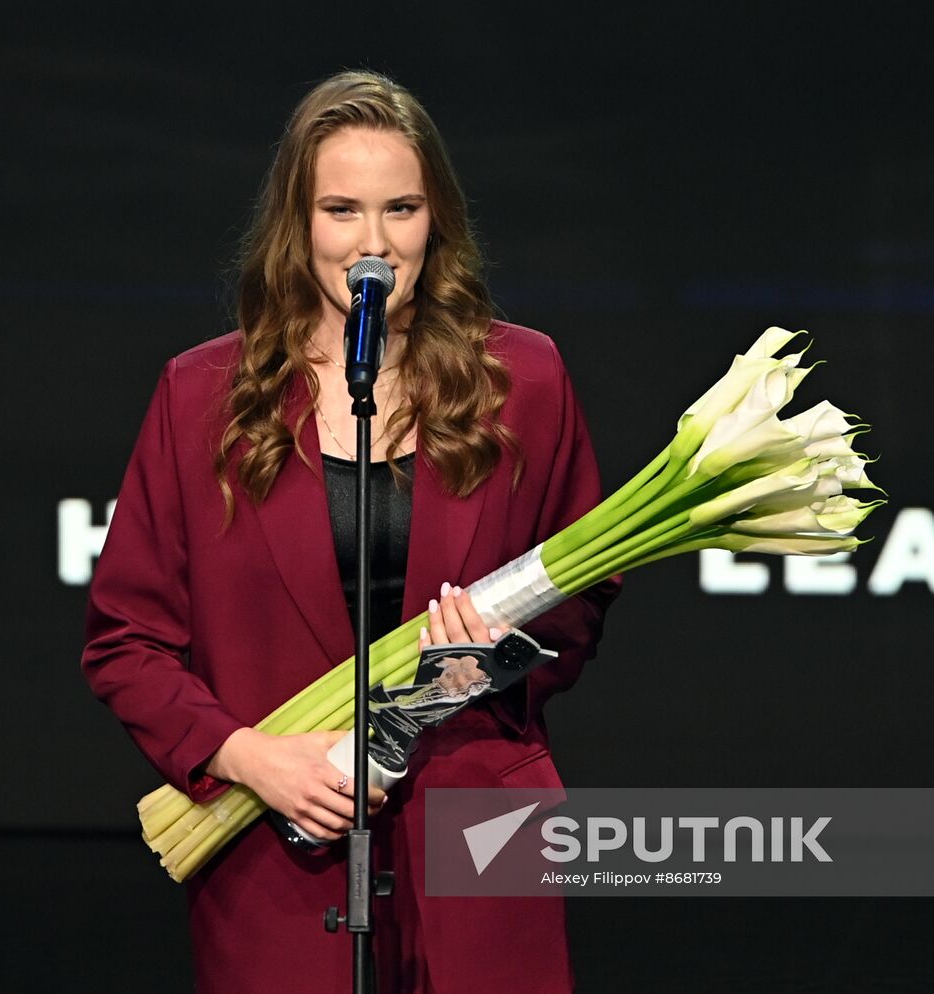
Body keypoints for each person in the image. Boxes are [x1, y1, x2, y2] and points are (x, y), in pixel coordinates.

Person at [81, 70, 619, 994]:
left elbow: (582, 594)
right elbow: (125, 642)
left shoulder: (522, 380)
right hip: (281, 858)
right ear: (300, 225)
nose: (373, 243)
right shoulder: (201, 396)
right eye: (341, 210)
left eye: (400, 208)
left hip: (477, 840)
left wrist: (496, 657)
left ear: (435, 219)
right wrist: (248, 756)